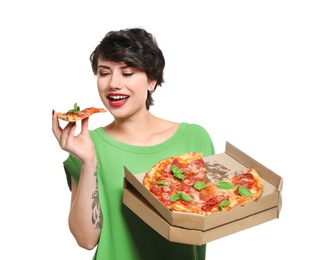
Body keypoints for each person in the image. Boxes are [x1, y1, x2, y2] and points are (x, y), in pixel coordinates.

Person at [52, 27, 215, 260]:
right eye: (104, 72)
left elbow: (209, 216)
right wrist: (88, 162)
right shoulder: (88, 145)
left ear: (152, 79)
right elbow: (86, 240)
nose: (113, 84)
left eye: (127, 73)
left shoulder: (195, 139)